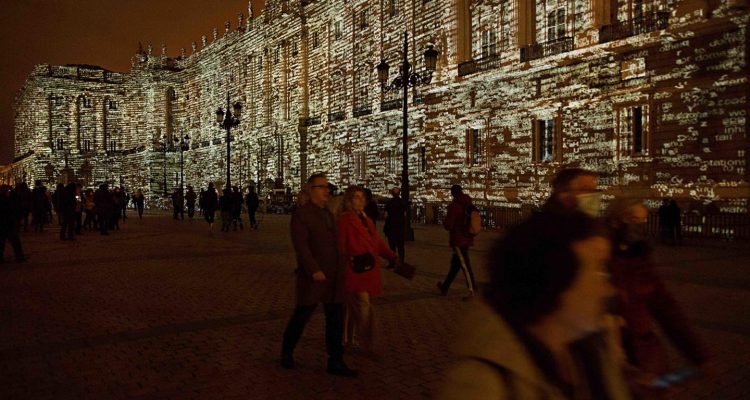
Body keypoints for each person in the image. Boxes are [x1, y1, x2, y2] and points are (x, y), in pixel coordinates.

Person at [438, 211, 630, 399]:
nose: (607, 289)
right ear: (556, 283)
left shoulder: (591, 350)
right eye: (598, 271)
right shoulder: (481, 384)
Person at [605, 199, 710, 390]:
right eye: (632, 219)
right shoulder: (597, 258)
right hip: (608, 356)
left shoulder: (640, 259)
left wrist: (698, 354)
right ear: (615, 220)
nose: (638, 226)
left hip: (643, 356)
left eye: (642, 220)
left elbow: (667, 308)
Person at [281, 173, 357, 377]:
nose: (327, 190)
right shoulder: (302, 214)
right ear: (311, 190)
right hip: (314, 277)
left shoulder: (329, 213)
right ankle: (287, 352)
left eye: (327, 187)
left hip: (334, 275)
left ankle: (335, 360)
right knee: (302, 316)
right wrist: (313, 269)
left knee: (335, 320)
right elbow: (302, 247)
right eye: (322, 187)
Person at [337, 186, 399, 354]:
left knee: (353, 309)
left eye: (362, 197)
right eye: (356, 197)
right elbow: (341, 246)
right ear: (349, 201)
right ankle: (368, 343)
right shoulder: (345, 220)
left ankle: (347, 339)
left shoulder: (367, 219)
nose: (360, 201)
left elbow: (376, 242)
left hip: (368, 270)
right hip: (354, 270)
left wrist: (391, 256)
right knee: (364, 308)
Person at [437, 185, 477, 298]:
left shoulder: (454, 206)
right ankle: (445, 287)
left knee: (464, 266)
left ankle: (472, 288)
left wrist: (445, 221)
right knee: (456, 265)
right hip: (467, 237)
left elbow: (449, 225)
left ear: (453, 193)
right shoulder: (468, 203)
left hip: (458, 240)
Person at [0, 185, 26, 264]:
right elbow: (10, 211)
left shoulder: (5, 199)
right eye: (8, 191)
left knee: (2, 242)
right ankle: (19, 257)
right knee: (15, 242)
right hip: (7, 223)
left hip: (3, 224)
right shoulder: (5, 200)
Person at [383, 187, 406, 266]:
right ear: (399, 193)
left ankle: (392, 262)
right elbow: (405, 214)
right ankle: (401, 261)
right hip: (400, 227)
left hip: (391, 226)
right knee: (400, 246)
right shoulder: (402, 202)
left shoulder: (389, 203)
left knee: (392, 246)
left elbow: (386, 215)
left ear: (392, 194)